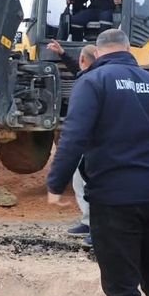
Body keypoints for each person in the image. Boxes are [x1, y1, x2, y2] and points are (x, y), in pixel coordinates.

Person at [47, 29, 149, 296]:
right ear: (128, 49)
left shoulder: (92, 82)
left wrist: (56, 184)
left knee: (122, 288)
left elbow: (73, 137)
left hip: (113, 200)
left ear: (98, 54)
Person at [46, 39, 97, 246]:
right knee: (79, 181)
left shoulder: (94, 80)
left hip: (92, 143)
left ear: (84, 59)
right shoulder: (89, 75)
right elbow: (78, 68)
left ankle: (98, 229)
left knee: (92, 185)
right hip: (86, 142)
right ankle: (87, 221)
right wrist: (63, 54)